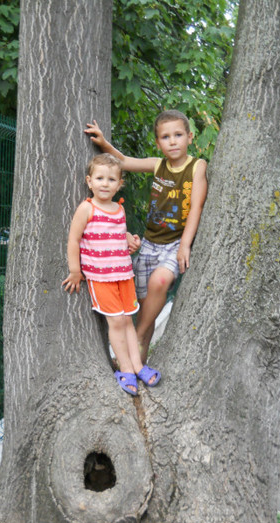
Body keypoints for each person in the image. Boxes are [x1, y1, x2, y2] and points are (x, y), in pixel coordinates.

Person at [84, 110, 208, 363]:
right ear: (158, 142)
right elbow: (124, 162)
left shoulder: (198, 166)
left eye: (178, 135)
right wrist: (104, 143)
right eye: (165, 137)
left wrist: (185, 245)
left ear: (190, 137)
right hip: (150, 243)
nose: (172, 141)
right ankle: (138, 363)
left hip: (175, 244)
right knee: (146, 311)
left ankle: (137, 337)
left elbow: (196, 206)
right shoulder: (158, 165)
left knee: (160, 283)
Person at [62, 153, 160, 396]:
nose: (105, 183)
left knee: (128, 320)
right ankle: (125, 369)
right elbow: (74, 239)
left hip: (124, 275)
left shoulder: (119, 209)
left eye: (111, 179)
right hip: (101, 277)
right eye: (99, 178)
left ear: (119, 184)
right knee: (116, 322)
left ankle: (138, 366)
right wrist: (75, 270)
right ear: (89, 181)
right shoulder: (87, 208)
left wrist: (129, 241)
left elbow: (117, 234)